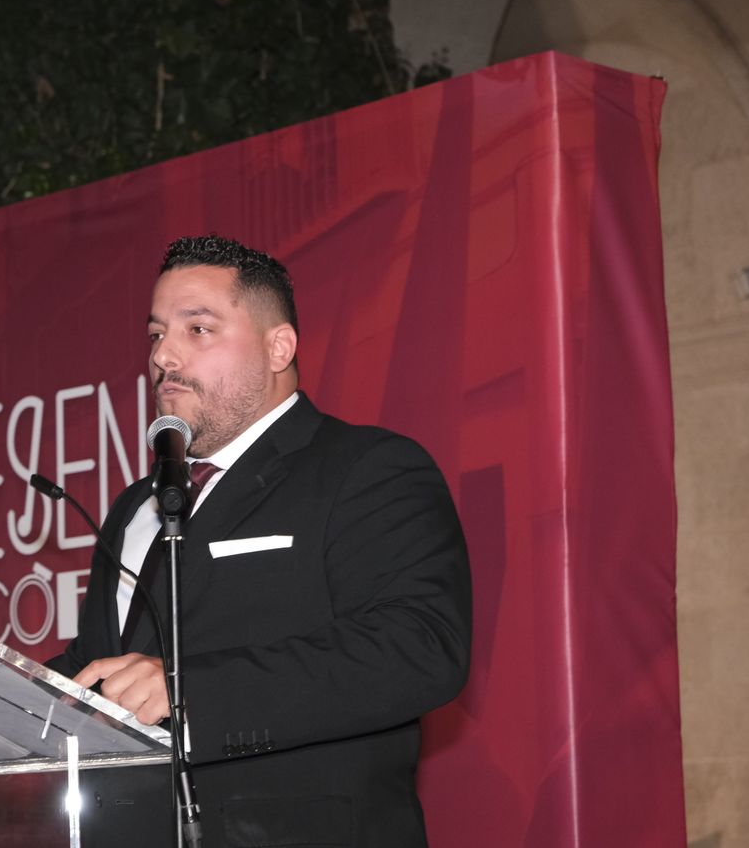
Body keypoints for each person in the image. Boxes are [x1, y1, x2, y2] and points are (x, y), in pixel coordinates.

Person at [47, 235, 471, 847]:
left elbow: (419, 647)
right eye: (155, 333)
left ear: (279, 348)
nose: (164, 354)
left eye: (197, 330)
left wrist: (189, 694)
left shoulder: (366, 468)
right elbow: (101, 669)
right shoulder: (134, 508)